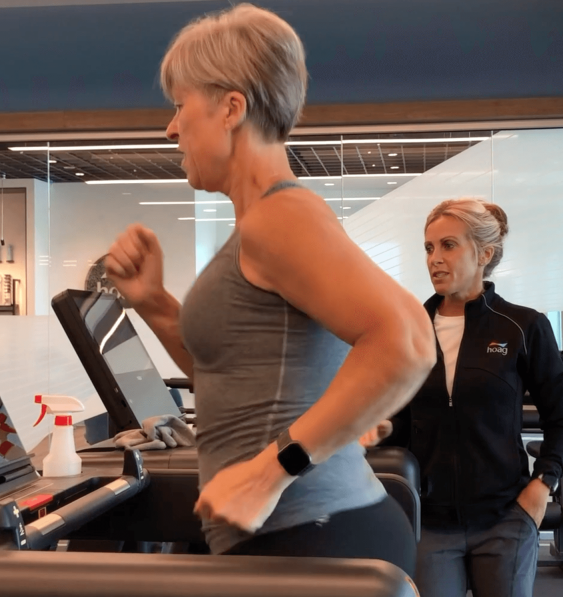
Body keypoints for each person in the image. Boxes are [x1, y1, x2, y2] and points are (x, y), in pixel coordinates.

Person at [103, 3, 435, 573]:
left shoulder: (280, 218)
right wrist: (154, 302)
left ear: (231, 107)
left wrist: (269, 471)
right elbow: (229, 373)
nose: (171, 127)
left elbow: (407, 342)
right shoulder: (260, 223)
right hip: (300, 534)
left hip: (314, 536)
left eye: (180, 106)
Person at [376, 198, 563, 597]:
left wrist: (541, 486)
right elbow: (399, 422)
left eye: (448, 245)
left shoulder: (523, 326)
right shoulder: (411, 327)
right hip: (430, 523)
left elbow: (561, 420)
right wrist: (378, 427)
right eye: (429, 248)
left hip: (505, 517)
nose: (435, 258)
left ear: (484, 254)